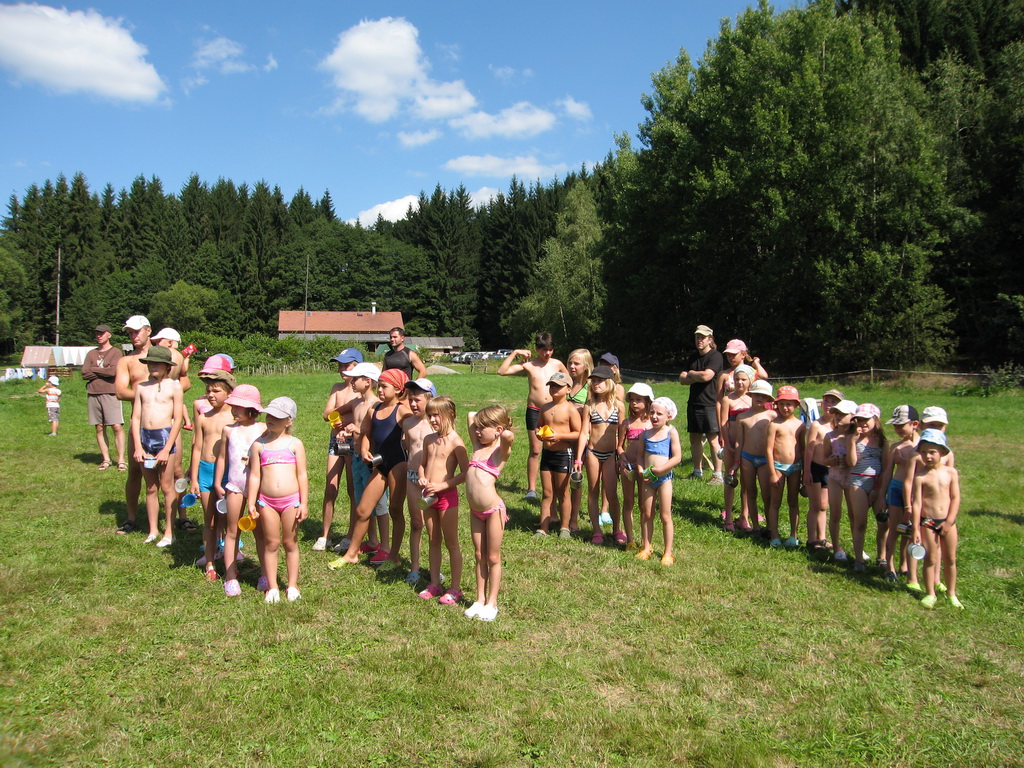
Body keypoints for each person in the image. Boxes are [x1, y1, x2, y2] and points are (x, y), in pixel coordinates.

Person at [331, 368, 412, 567]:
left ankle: (393, 556)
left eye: (384, 386)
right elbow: (366, 433)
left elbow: (417, 430)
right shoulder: (373, 410)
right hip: (379, 464)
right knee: (363, 509)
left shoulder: (402, 411)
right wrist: (365, 449)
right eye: (380, 386)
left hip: (398, 464)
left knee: (395, 510)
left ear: (398, 389)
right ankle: (351, 554)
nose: (380, 390)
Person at [248, 397, 309, 603]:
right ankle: (273, 587)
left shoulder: (295, 444)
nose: (271, 419)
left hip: (291, 501)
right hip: (266, 503)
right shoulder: (259, 445)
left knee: (290, 542)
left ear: (289, 420)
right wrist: (251, 502)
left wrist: (304, 502)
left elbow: (302, 475)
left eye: (277, 416)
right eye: (269, 415)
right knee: (271, 543)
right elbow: (254, 476)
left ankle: (292, 585)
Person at [329, 362, 390, 566]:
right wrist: (344, 430)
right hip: (356, 458)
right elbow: (331, 414)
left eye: (356, 379)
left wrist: (358, 431)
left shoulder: (377, 406)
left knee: (379, 505)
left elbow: (377, 435)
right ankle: (372, 541)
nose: (352, 382)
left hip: (371, 461)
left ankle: (385, 546)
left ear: (368, 381)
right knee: (362, 501)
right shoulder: (356, 403)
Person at [497, 333, 569, 502]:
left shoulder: (557, 364)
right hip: (535, 410)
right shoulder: (529, 365)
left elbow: (570, 381)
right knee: (536, 450)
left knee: (554, 446)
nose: (548, 353)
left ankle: (554, 484)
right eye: (544, 350)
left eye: (550, 349)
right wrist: (515, 353)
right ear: (537, 349)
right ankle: (531, 489)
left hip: (554, 410)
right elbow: (502, 371)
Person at [214, 384, 266, 597]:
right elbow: (222, 458)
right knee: (232, 530)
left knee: (260, 532)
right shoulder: (229, 430)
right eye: (232, 406)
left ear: (251, 409)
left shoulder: (262, 429)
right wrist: (218, 482)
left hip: (258, 487)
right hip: (234, 485)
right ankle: (230, 575)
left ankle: (265, 573)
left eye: (238, 407)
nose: (233, 410)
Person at [130, 345, 184, 547]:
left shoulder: (174, 387)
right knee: (150, 486)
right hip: (145, 437)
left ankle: (169, 532)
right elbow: (135, 418)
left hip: (164, 437)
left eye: (157, 363)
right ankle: (153, 530)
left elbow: (178, 419)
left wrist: (167, 448)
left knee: (167, 485)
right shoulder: (141, 387)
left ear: (167, 366)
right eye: (150, 363)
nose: (153, 366)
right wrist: (138, 446)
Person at [417, 396, 468, 605]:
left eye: (436, 415)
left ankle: (455, 588)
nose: (432, 420)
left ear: (450, 415)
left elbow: (465, 473)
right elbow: (422, 464)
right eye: (429, 416)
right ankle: (434, 583)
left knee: (451, 542)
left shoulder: (456, 442)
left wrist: (443, 486)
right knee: (433, 539)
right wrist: (422, 477)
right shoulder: (429, 439)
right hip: (428, 495)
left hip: (446, 497)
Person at [464, 405, 514, 622]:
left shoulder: (499, 453)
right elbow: (470, 416)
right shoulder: (477, 446)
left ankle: (492, 603)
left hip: (493, 511)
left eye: (482, 428)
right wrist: (484, 425)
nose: (477, 431)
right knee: (479, 555)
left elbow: (509, 437)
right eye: (477, 428)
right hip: (475, 511)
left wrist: (502, 432)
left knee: (493, 557)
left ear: (498, 430)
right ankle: (479, 599)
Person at [189, 370, 237, 581]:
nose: (210, 395)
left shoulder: (235, 418)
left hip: (228, 473)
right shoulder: (203, 418)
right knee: (209, 520)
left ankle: (230, 559)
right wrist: (194, 478)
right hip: (206, 471)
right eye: (208, 391)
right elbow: (197, 448)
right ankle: (210, 563)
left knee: (228, 519)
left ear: (229, 393)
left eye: (216, 391)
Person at [314, 348, 363, 551]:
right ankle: (325, 535)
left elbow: (360, 414)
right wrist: (339, 417)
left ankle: (350, 535)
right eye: (340, 365)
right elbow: (326, 414)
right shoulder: (337, 388)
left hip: (353, 442)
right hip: (336, 441)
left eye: (346, 365)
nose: (342, 369)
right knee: (331, 487)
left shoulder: (361, 391)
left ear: (357, 367)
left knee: (353, 489)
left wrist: (341, 415)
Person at [912, 429, 962, 609]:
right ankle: (930, 593)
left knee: (950, 558)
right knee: (930, 559)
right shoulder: (920, 477)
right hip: (928, 522)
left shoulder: (951, 473)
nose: (928, 456)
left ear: (942, 452)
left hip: (948, 522)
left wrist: (949, 521)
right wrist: (916, 528)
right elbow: (917, 503)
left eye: (932, 452)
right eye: (923, 452)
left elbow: (955, 498)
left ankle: (951, 593)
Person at [152, 327, 196, 532]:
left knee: (175, 472)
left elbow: (185, 380)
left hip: (170, 420)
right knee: (164, 474)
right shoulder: (167, 357)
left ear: (170, 342)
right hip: (155, 421)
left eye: (159, 341)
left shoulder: (174, 356)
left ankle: (181, 515)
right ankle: (175, 518)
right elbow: (185, 380)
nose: (155, 344)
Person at [575, 365, 625, 545]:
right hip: (593, 453)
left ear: (609, 382)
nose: (595, 384)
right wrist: (579, 458)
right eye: (593, 380)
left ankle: (617, 529)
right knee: (593, 491)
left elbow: (623, 434)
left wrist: (622, 455)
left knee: (612, 493)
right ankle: (596, 530)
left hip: (611, 454)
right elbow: (583, 433)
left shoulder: (619, 406)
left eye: (599, 381)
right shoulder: (589, 406)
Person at [114, 315, 155, 534]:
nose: (133, 336)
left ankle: (177, 518)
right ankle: (131, 517)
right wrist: (148, 395)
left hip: (166, 421)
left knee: (173, 471)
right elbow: (121, 391)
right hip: (138, 422)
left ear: (148, 330)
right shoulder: (126, 361)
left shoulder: (165, 355)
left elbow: (184, 380)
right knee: (135, 470)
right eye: (130, 332)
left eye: (136, 331)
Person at [636, 396, 682, 565]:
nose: (654, 416)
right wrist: (640, 469)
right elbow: (640, 456)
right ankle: (646, 547)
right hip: (648, 479)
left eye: (659, 414)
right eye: (652, 412)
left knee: (665, 515)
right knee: (646, 513)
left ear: (668, 416)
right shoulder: (645, 434)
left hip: (664, 479)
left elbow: (677, 457)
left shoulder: (671, 432)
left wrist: (662, 469)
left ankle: (668, 552)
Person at [534, 372, 581, 538]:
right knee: (547, 493)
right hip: (547, 454)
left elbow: (578, 433)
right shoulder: (545, 408)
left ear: (568, 389)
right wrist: (539, 433)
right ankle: (543, 528)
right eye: (552, 386)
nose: (554, 388)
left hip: (563, 454)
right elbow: (539, 426)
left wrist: (559, 436)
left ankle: (565, 527)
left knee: (563, 492)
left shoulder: (571, 409)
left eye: (558, 386)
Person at [677, 325, 725, 484]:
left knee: (713, 440)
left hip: (710, 403)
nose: (699, 340)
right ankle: (697, 472)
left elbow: (707, 376)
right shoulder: (693, 357)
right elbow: (682, 379)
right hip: (694, 403)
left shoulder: (715, 356)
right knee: (694, 439)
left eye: (702, 337)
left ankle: (718, 475)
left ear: (710, 339)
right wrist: (696, 376)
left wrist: (691, 374)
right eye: (697, 337)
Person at [844, 403, 888, 573]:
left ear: (876, 420)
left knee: (883, 523)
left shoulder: (882, 442)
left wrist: (878, 490)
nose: (862, 423)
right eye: (859, 420)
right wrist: (852, 442)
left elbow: (886, 468)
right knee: (860, 522)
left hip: (877, 483)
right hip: (858, 483)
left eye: (866, 420)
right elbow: (851, 462)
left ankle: (882, 557)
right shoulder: (852, 438)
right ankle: (859, 559)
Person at [401, 377, 437, 585]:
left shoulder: (437, 425)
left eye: (417, 400)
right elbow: (408, 446)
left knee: (433, 527)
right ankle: (414, 567)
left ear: (430, 399)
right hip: (412, 478)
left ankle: (434, 567)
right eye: (410, 400)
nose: (413, 404)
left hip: (432, 481)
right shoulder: (408, 423)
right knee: (416, 523)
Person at [879, 404, 920, 584]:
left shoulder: (923, 447)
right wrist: (882, 494)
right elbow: (888, 471)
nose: (897, 429)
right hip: (897, 488)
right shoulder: (896, 447)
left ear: (914, 424)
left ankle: (905, 565)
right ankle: (889, 566)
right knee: (895, 528)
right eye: (895, 426)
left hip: (915, 492)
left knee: (909, 529)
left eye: (901, 425)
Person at [802, 389, 844, 550]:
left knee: (824, 506)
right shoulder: (817, 425)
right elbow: (809, 449)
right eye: (826, 401)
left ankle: (822, 537)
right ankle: (811, 539)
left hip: (830, 470)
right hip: (815, 468)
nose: (829, 405)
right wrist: (806, 471)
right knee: (815, 505)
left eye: (833, 402)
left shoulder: (839, 426)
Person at [733, 380, 776, 535]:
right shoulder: (742, 417)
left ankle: (770, 526)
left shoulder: (772, 415)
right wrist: (736, 462)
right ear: (751, 395)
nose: (760, 398)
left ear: (768, 399)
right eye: (757, 394)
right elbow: (739, 442)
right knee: (750, 492)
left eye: (763, 396)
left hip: (765, 459)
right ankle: (756, 526)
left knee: (766, 493)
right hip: (747, 458)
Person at [80, 324, 125, 468]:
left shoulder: (116, 352)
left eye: (102, 333)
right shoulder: (91, 353)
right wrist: (102, 370)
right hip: (93, 393)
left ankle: (121, 460)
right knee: (99, 427)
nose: (98, 336)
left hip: (110, 392)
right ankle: (106, 459)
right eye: (97, 333)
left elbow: (113, 372)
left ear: (109, 335)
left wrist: (93, 369)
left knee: (116, 426)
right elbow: (84, 373)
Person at [766, 385, 805, 548]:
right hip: (778, 467)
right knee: (775, 502)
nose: (785, 407)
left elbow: (802, 448)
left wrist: (804, 471)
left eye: (789, 404)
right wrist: (772, 473)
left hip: (795, 467)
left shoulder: (800, 425)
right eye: (781, 404)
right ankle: (774, 535)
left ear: (796, 405)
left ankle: (793, 535)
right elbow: (768, 449)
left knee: (793, 501)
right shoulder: (774, 424)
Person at [717, 364, 755, 532]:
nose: (740, 382)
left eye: (743, 379)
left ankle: (744, 516)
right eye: (737, 379)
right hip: (732, 443)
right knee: (730, 479)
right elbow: (723, 423)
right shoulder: (728, 399)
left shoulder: (753, 399)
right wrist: (727, 443)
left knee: (747, 481)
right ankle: (728, 518)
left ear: (750, 381)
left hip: (748, 445)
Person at [617, 382, 653, 551]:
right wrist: (622, 457)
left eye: (638, 400)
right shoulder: (627, 423)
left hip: (645, 469)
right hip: (628, 468)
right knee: (628, 501)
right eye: (632, 400)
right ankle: (630, 540)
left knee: (645, 505)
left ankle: (646, 540)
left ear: (647, 402)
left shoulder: (651, 424)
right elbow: (619, 445)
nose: (634, 403)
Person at [824, 399, 857, 560]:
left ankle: (858, 547)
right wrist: (831, 461)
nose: (838, 416)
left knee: (854, 514)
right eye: (836, 413)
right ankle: (836, 547)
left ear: (853, 417)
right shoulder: (830, 436)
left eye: (842, 414)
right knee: (835, 513)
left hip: (852, 477)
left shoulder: (856, 437)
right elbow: (824, 458)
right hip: (835, 477)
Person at [565, 348, 592, 532]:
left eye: (577, 363)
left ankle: (574, 519)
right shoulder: (566, 383)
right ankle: (560, 514)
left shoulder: (590, 387)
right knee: (561, 477)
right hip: (564, 436)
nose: (572, 366)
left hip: (582, 439)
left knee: (576, 478)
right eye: (570, 363)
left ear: (586, 366)